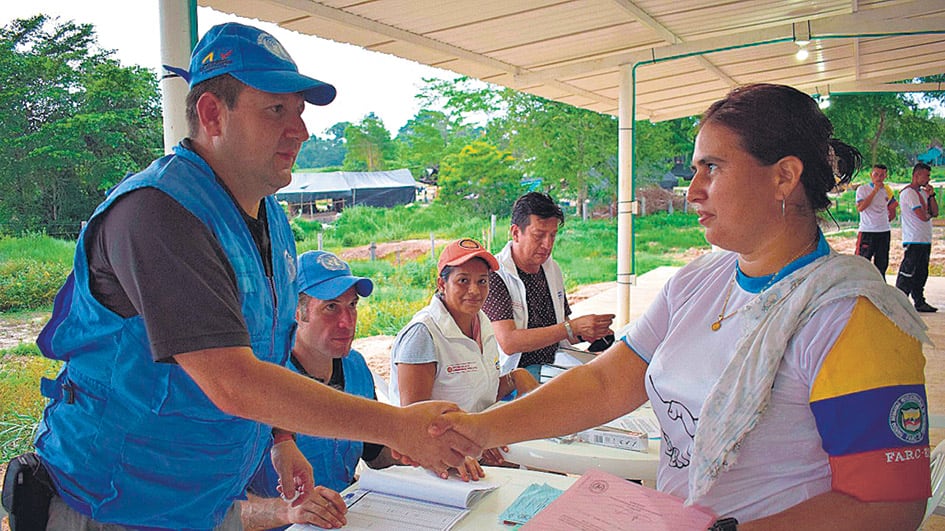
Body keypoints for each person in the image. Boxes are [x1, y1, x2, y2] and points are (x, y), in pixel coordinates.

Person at [30, 23, 478, 530]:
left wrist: (280, 438)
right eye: (276, 111)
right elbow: (231, 380)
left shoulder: (270, 219)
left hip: (196, 501)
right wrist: (398, 426)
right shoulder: (159, 214)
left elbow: (264, 352)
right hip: (114, 500)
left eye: (300, 113)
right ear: (211, 114)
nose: (301, 132)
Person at [435, 84, 932, 529]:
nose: (692, 191)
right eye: (695, 170)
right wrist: (479, 429)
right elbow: (608, 382)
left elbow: (888, 505)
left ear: (784, 176)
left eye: (712, 169)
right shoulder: (698, 281)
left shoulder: (851, 317)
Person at [242, 251, 397, 530]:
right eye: (331, 307)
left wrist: (430, 454)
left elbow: (377, 456)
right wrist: (284, 511)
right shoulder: (259, 380)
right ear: (295, 311)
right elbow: (220, 511)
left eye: (352, 305)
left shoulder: (355, 367)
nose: (347, 322)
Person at [390, 238, 540, 480]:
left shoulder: (482, 323)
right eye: (463, 281)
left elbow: (480, 393)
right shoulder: (423, 334)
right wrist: (466, 446)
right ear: (442, 284)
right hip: (441, 464)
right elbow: (415, 422)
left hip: (479, 448)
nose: (474, 290)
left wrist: (514, 378)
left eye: (482, 281)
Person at [482, 192, 615, 378]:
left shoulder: (551, 268)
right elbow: (508, 342)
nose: (547, 244)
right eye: (539, 235)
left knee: (611, 371)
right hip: (514, 375)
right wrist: (571, 328)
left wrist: (587, 332)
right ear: (515, 233)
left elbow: (561, 330)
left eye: (553, 236)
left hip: (555, 363)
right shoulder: (495, 275)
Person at [896, 162, 939, 313]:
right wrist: (928, 215)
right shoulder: (908, 193)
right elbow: (922, 215)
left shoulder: (922, 193)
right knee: (909, 270)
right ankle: (900, 300)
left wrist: (931, 195)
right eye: (926, 175)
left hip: (924, 237)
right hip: (913, 237)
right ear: (917, 175)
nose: (928, 178)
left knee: (921, 271)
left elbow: (935, 212)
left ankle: (919, 301)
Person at [855, 163, 898, 276]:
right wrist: (875, 191)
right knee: (863, 262)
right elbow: (860, 207)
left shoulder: (887, 190)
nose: (879, 177)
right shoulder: (862, 189)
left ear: (885, 176)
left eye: (882, 175)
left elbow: (893, 208)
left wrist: (884, 221)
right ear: (871, 175)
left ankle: (879, 287)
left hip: (884, 231)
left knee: (882, 263)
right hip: (867, 231)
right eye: (876, 174)